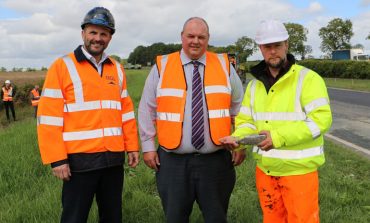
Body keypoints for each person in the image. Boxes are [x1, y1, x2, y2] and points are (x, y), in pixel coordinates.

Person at [220, 20, 332, 223]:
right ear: (260, 49)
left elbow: (320, 120)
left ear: (287, 45)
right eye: (267, 47)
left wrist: (278, 137)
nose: (273, 51)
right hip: (266, 171)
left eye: (277, 45)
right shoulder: (254, 86)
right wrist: (238, 138)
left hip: (299, 172)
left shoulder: (309, 79)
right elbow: (246, 121)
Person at [37, 7, 139, 223]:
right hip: (78, 163)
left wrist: (132, 146)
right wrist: (57, 159)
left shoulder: (117, 69)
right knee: (74, 218)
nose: (97, 39)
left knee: (112, 217)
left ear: (110, 37)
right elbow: (48, 117)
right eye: (93, 32)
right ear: (83, 33)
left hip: (112, 160)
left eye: (104, 34)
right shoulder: (62, 67)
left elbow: (126, 112)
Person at [138, 17, 245, 223]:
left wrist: (241, 143)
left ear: (208, 39)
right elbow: (146, 109)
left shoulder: (224, 65)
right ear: (182, 37)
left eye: (201, 37)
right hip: (173, 162)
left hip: (216, 161)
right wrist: (148, 147)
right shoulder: (162, 65)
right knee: (175, 217)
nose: (195, 41)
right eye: (191, 36)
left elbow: (240, 107)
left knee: (217, 217)